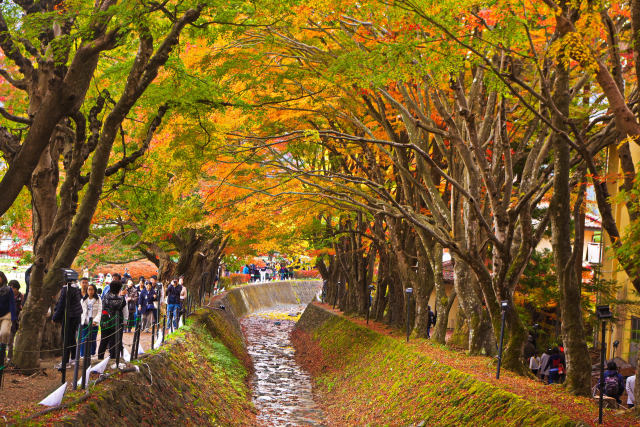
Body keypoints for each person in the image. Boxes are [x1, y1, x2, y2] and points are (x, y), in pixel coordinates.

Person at [52, 277, 83, 369]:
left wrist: (55, 317)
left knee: (66, 338)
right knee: (71, 337)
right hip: (75, 315)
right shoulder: (76, 287)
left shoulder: (66, 289)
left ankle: (65, 362)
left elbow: (62, 304)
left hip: (69, 316)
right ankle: (73, 358)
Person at [98, 280, 126, 360]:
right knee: (114, 342)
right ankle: (113, 358)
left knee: (103, 341)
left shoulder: (105, 297)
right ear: (119, 289)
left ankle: (100, 358)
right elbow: (123, 308)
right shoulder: (121, 299)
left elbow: (102, 307)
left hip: (105, 321)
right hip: (116, 322)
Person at [80, 284, 101, 357]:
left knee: (92, 339)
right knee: (83, 339)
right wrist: (84, 320)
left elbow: (99, 311)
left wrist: (95, 321)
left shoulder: (98, 299)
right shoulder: (83, 300)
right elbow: (82, 311)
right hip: (85, 322)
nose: (90, 291)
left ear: (94, 290)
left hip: (94, 323)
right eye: (89, 289)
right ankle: (82, 354)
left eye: (92, 289)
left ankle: (92, 353)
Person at [8, 280, 22, 361]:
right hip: (10, 321)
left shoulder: (22, 297)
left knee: (17, 341)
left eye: (13, 288)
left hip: (19, 322)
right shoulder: (7, 296)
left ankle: (15, 357)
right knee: (9, 340)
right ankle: (9, 357)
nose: (11, 289)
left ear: (17, 289)